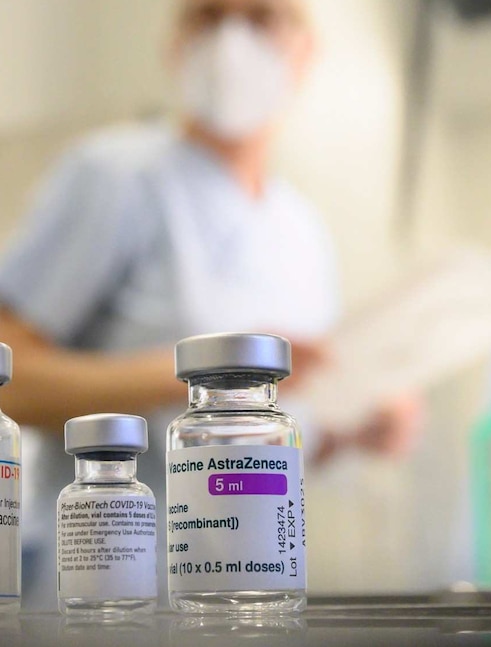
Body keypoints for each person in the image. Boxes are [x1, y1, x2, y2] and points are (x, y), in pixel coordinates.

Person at [0, 0, 415, 608]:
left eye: (260, 17)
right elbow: (11, 381)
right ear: (173, 43)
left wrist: (350, 432)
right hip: (108, 599)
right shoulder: (114, 175)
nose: (230, 41)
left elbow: (265, 448)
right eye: (209, 15)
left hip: (257, 598)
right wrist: (206, 379)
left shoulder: (301, 228)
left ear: (306, 51)